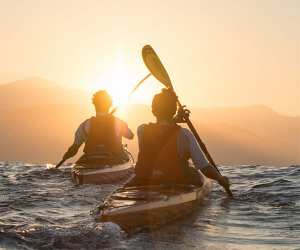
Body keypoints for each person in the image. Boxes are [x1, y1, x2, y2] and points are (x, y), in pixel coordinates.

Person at [131, 88, 231, 193]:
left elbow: (161, 132)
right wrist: (220, 179)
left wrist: (175, 119)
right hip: (174, 182)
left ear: (153, 110)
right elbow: (204, 167)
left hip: (144, 180)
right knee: (194, 173)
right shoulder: (184, 135)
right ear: (173, 110)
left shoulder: (141, 130)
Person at [60, 90, 134, 165]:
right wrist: (123, 125)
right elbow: (131, 136)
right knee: (125, 154)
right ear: (109, 105)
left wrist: (66, 156)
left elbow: (74, 149)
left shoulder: (85, 125)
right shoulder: (118, 122)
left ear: (94, 104)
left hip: (90, 159)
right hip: (113, 160)